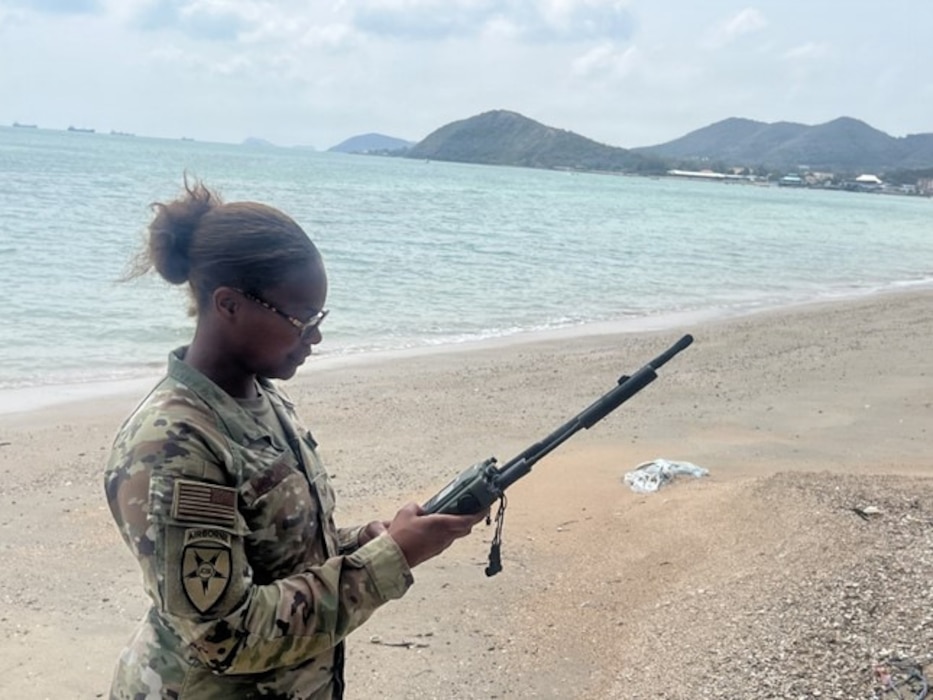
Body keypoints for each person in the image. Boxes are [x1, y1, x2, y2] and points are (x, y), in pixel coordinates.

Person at [104, 179, 486, 699]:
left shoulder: (261, 398)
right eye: (301, 319)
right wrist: (390, 560)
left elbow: (273, 551)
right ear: (229, 305)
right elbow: (225, 636)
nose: (316, 337)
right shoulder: (173, 445)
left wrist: (363, 542)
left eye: (319, 318)